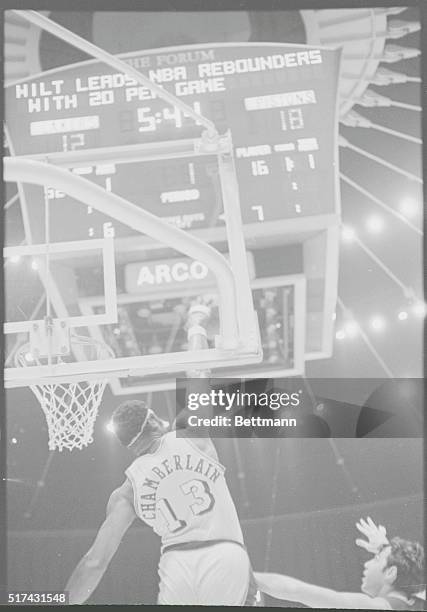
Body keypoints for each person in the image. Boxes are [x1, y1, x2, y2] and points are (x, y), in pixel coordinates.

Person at [65, 302, 258, 605]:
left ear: (129, 444)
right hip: (224, 555)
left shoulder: (126, 492)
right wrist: (195, 322)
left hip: (176, 567)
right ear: (154, 420)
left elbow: (95, 561)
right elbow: (197, 370)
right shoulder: (193, 435)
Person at [255, 516, 425, 610]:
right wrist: (385, 548)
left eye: (376, 559)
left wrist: (248, 576)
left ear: (390, 573)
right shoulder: (417, 602)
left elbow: (297, 591)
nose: (366, 564)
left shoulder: (379, 608)